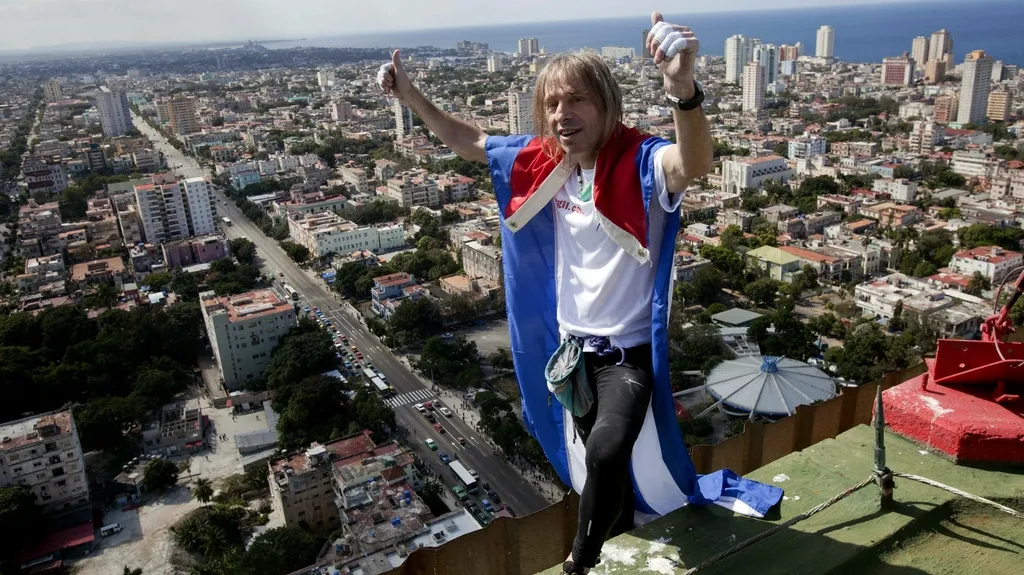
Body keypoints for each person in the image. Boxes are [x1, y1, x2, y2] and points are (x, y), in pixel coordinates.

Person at [380, 12, 782, 574]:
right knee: (604, 471)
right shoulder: (546, 165)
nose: (562, 114)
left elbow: (692, 163)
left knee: (607, 452)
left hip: (625, 355)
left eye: (577, 100)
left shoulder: (640, 162)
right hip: (572, 357)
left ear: (606, 104)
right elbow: (469, 141)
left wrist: (682, 91)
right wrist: (410, 97)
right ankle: (615, 544)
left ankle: (579, 562)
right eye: (552, 104)